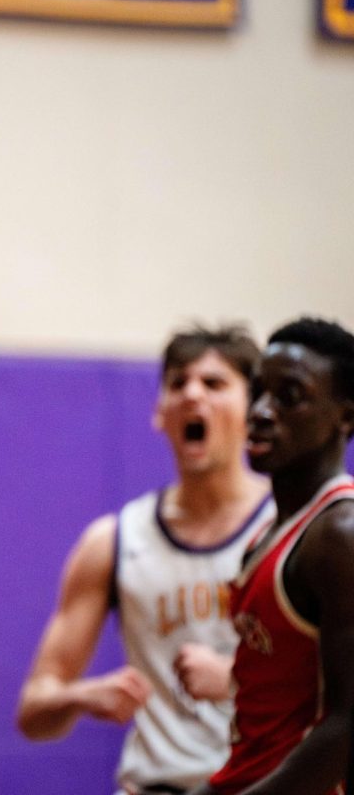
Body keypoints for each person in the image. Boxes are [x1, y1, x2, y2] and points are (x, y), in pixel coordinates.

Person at [16, 324, 273, 795]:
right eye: (178, 383)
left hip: (263, 783)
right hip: (156, 784)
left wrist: (238, 681)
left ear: (253, 409)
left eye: (214, 383)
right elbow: (33, 711)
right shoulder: (115, 539)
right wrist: (79, 695)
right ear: (159, 413)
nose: (193, 394)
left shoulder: (293, 528)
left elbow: (335, 693)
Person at [190, 317, 354, 795]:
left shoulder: (339, 535)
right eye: (258, 391)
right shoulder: (267, 533)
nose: (261, 411)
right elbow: (262, 745)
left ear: (345, 417)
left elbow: (346, 727)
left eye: (289, 396)